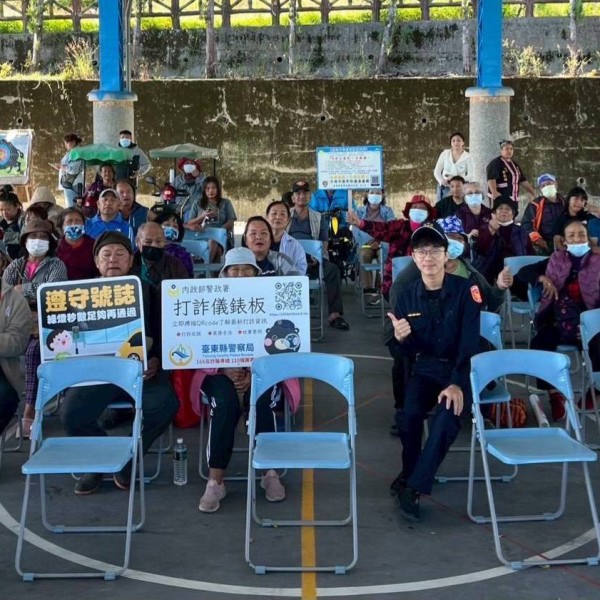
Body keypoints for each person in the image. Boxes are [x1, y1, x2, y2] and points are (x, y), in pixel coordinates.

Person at [62, 232, 179, 494]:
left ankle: (128, 459)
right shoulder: (78, 295)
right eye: (106, 254)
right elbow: (69, 337)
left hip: (140, 372)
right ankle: (99, 460)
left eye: (120, 254)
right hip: (97, 374)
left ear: (130, 260)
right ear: (97, 262)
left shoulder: (146, 291)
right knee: (71, 414)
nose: (113, 259)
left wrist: (156, 359)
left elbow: (163, 332)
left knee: (165, 405)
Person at [190, 247, 301, 512]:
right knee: (224, 403)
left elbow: (283, 347)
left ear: (256, 273)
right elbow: (196, 344)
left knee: (262, 400)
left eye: (246, 270)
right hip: (217, 372)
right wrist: (225, 368)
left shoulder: (272, 301)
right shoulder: (207, 302)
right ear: (224, 274)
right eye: (234, 270)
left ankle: (269, 472)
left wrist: (255, 372)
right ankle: (215, 481)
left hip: (264, 371)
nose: (240, 274)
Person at [387, 223, 482, 522]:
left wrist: (457, 383)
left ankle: (414, 486)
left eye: (434, 251)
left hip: (460, 369)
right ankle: (411, 471)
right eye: (421, 252)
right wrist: (401, 338)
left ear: (446, 255)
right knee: (409, 416)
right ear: (414, 258)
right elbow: (406, 351)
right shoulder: (406, 295)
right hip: (426, 368)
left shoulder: (466, 290)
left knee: (446, 416)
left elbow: (470, 344)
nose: (428, 257)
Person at [385, 216, 511, 432]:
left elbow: (490, 301)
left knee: (473, 353)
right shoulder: (416, 272)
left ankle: (480, 409)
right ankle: (405, 411)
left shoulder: (470, 272)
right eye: (449, 237)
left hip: (461, 334)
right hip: (422, 334)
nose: (454, 242)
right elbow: (400, 306)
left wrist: (499, 287)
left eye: (458, 238)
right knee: (403, 359)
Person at [2, 219, 68, 437]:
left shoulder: (56, 265)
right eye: (33, 236)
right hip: (17, 323)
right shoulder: (16, 265)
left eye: (42, 237)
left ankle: (29, 410)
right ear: (25, 240)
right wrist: (28, 293)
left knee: (33, 352)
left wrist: (22, 290)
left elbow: (52, 293)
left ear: (50, 241)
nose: (37, 241)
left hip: (47, 324)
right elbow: (6, 293)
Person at [530, 219, 600, 421]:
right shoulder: (556, 258)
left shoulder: (597, 260)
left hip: (590, 320)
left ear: (588, 238)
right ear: (564, 240)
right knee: (540, 344)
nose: (577, 239)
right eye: (572, 235)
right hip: (558, 319)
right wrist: (542, 278)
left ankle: (596, 390)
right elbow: (524, 273)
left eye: (581, 234)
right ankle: (554, 395)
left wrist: (590, 323)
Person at [347, 194, 436, 300]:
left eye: (422, 208)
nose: (418, 210)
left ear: (428, 213)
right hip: (396, 280)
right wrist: (361, 224)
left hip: (426, 282)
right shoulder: (400, 226)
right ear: (409, 211)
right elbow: (382, 228)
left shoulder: (434, 231)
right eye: (415, 207)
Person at [287, 180, 349, 329]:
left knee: (333, 270)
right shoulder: (285, 215)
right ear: (293, 198)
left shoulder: (318, 217)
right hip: (289, 260)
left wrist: (318, 257)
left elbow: (324, 242)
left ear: (310, 196)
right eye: (298, 193)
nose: (302, 196)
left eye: (305, 193)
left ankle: (334, 315)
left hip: (313, 259)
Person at [0, 246, 31, 436]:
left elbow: (17, 343)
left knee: (5, 398)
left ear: (2, 264)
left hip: (3, 370)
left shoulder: (16, 300)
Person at [473, 196, 533, 284]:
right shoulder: (485, 228)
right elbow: (480, 250)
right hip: (490, 275)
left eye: (508, 209)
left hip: (517, 274)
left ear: (513, 214)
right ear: (494, 213)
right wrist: (491, 231)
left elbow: (530, 253)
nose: (504, 211)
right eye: (500, 208)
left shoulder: (522, 232)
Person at [353, 188, 395, 294]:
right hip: (365, 244)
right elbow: (355, 231)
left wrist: (379, 241)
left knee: (385, 256)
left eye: (378, 193)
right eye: (372, 192)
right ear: (367, 194)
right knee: (363, 255)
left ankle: (380, 286)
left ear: (383, 195)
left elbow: (391, 229)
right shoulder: (359, 211)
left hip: (383, 244)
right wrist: (367, 242)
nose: (375, 195)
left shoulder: (388, 211)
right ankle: (367, 288)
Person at [186, 176, 236, 258]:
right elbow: (189, 223)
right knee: (216, 251)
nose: (210, 191)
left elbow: (231, 222)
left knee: (214, 241)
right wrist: (202, 216)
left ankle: (206, 264)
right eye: (207, 188)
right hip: (201, 235)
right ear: (204, 190)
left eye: (213, 188)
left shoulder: (225, 203)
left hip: (220, 236)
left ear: (218, 189)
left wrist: (218, 232)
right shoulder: (197, 203)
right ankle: (208, 265)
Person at [521, 173, 565, 255]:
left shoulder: (566, 203)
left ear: (556, 184)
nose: (546, 187)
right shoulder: (535, 205)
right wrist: (538, 240)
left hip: (566, 242)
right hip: (544, 244)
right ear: (540, 189)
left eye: (549, 183)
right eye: (543, 185)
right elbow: (526, 225)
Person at [486, 139, 536, 206]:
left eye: (511, 149)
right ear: (501, 150)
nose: (509, 151)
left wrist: (532, 192)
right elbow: (491, 178)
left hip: (513, 199)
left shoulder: (515, 165)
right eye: (506, 149)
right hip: (500, 199)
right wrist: (494, 192)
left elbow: (522, 180)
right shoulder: (496, 163)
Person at [265, 200, 307, 275]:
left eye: (282, 214)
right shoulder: (257, 242)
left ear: (288, 220)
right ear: (267, 217)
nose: (278, 217)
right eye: (274, 213)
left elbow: (301, 272)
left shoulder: (295, 246)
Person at [56, 207, 98, 281]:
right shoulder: (55, 248)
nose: (74, 224)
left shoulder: (94, 245)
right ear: (62, 226)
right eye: (69, 221)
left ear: (84, 224)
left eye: (78, 221)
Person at [552, 187, 598, 251]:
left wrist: (597, 210)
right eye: (576, 199)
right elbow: (557, 242)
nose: (579, 203)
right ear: (569, 200)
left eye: (582, 200)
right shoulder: (560, 220)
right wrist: (567, 253)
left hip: (589, 252)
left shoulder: (588, 217)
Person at [433, 132, 474, 202]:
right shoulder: (445, 154)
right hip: (445, 186)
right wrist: (441, 181)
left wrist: (455, 178)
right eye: (453, 141)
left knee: (458, 206)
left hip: (460, 188)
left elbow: (471, 176)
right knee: (442, 206)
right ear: (451, 143)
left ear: (463, 142)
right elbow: (436, 171)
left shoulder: (468, 157)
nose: (456, 143)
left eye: (459, 140)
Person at [153, 211, 194, 277]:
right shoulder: (149, 250)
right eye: (167, 225)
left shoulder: (184, 255)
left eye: (175, 226)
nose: (171, 228)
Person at [51, 132, 85, 208]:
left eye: (67, 143)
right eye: (65, 143)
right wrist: (60, 167)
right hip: (69, 182)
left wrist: (61, 166)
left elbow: (73, 170)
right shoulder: (71, 153)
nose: (65, 145)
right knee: (71, 205)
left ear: (73, 142)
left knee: (72, 207)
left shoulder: (76, 153)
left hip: (73, 183)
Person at [0, 185, 24, 260]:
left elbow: (26, 238)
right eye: (1, 210)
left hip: (20, 260)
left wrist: (4, 236)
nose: (4, 213)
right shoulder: (1, 222)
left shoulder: (24, 220)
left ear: (17, 206)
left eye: (7, 209)